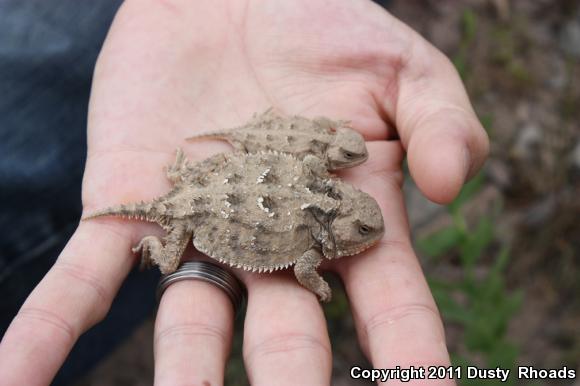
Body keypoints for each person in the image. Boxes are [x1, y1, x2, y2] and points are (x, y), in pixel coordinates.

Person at [0, 1, 489, 385]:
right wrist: (320, 287)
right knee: (163, 260)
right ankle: (150, 243)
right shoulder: (310, 246)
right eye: (361, 227)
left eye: (365, 222)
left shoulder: (320, 194)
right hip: (199, 214)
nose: (369, 229)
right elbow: (303, 270)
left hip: (201, 186)